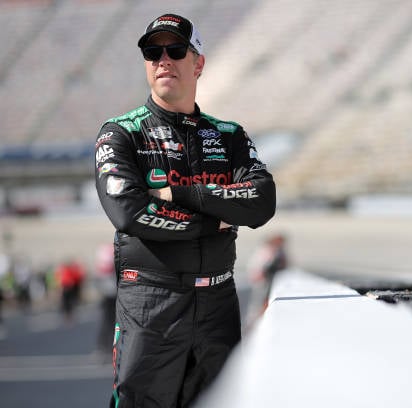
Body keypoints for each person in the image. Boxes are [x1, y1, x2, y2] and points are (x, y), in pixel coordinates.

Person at [94, 13, 276, 408]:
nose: (163, 59)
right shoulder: (120, 131)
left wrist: (180, 193)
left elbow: (262, 201)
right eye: (152, 51)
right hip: (150, 304)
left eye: (176, 49)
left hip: (218, 304)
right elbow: (129, 212)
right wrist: (218, 217)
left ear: (198, 64)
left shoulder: (229, 136)